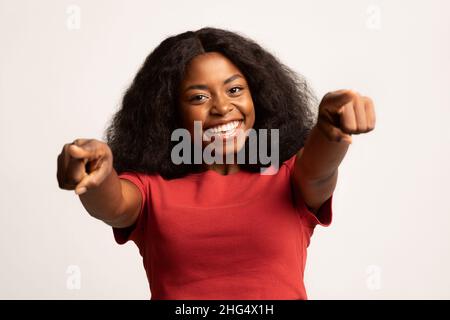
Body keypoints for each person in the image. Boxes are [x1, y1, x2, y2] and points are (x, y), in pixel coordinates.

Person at [56, 27, 376, 299]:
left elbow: (320, 169)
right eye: (199, 97)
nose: (223, 107)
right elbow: (112, 204)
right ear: (170, 113)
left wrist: (330, 127)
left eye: (235, 89)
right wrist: (95, 174)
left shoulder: (289, 178)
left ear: (258, 97)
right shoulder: (151, 191)